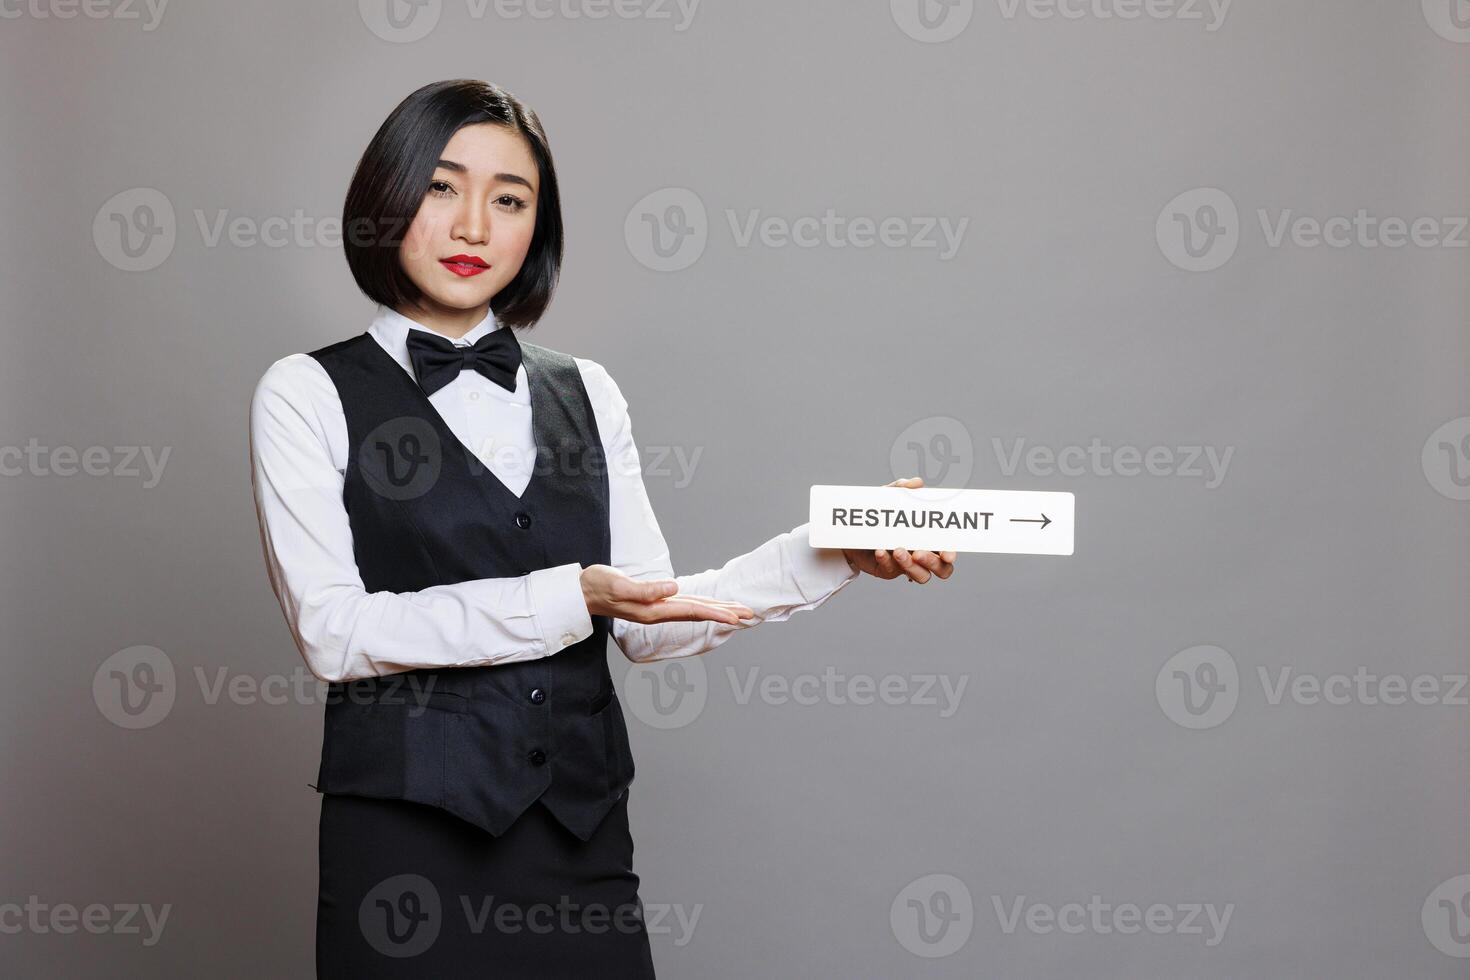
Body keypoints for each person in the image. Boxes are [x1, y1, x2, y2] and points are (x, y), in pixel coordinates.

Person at [248, 78, 957, 978]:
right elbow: (335, 633)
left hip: (579, 848)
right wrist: (561, 597)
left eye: (510, 200)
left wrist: (834, 547)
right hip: (404, 857)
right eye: (441, 186)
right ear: (385, 196)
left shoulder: (586, 389)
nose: (474, 227)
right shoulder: (306, 392)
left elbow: (649, 621)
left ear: (536, 230)